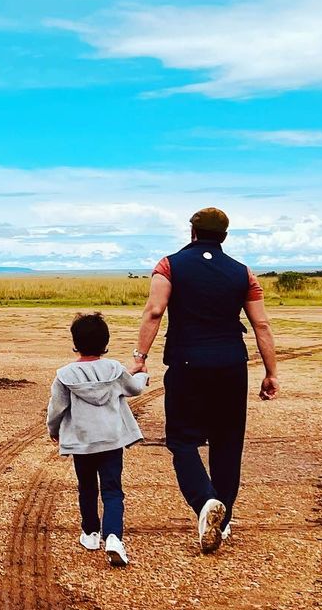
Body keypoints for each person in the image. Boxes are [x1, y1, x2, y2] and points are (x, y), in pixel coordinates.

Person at [134, 207, 279, 554]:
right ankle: (222, 520)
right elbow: (261, 325)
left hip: (187, 363)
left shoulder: (168, 266)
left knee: (183, 441)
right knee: (228, 444)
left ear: (192, 233)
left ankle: (204, 504)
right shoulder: (243, 273)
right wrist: (271, 372)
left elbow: (155, 311)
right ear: (225, 237)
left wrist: (139, 358)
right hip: (231, 364)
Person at [46, 312, 149, 568]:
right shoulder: (114, 369)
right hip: (111, 441)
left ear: (75, 343)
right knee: (113, 490)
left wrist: (53, 430)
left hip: (83, 442)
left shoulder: (64, 375)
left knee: (87, 487)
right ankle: (114, 537)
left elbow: (56, 408)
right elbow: (134, 389)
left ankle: (91, 534)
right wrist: (141, 375)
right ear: (106, 343)